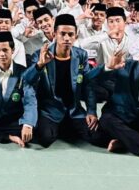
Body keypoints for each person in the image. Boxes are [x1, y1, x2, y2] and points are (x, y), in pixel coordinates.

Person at [24, 14, 98, 148]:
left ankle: (65, 127)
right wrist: (40, 65)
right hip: (50, 110)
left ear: (76, 36)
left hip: (74, 110)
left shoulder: (81, 55)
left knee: (94, 135)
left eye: (70, 34)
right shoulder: (40, 54)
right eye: (62, 34)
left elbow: (88, 85)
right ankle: (61, 127)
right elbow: (27, 80)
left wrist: (91, 111)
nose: (67, 38)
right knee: (45, 139)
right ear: (54, 34)